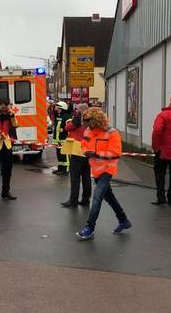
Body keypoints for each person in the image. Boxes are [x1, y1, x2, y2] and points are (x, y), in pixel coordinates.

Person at [76, 107, 132, 240]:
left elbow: (115, 153)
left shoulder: (112, 133)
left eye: (87, 120)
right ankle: (124, 220)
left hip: (107, 169)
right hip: (95, 170)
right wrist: (85, 151)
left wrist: (95, 154)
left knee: (96, 199)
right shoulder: (88, 131)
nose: (84, 123)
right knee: (109, 197)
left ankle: (89, 228)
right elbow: (83, 145)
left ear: (95, 120)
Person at [61, 103, 91, 208]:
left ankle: (73, 200)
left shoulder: (78, 120)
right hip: (88, 150)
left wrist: (75, 119)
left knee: (75, 176)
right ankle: (85, 199)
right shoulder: (91, 120)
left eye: (77, 109)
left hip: (77, 149)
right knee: (86, 176)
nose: (75, 110)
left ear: (81, 110)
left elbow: (67, 127)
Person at [52, 101, 71, 176]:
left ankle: (65, 170)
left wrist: (64, 130)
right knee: (59, 155)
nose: (57, 109)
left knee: (65, 156)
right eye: (57, 108)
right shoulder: (58, 116)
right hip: (58, 141)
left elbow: (70, 127)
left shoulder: (67, 117)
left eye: (59, 108)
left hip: (64, 140)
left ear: (63, 109)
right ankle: (60, 169)